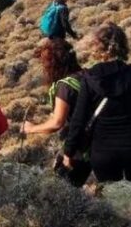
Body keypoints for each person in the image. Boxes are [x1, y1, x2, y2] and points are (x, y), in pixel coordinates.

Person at [62, 23, 131, 184]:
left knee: (113, 201)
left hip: (103, 153)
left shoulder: (89, 79)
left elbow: (78, 121)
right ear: (123, 45)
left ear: (96, 47)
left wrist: (68, 152)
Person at [22, 40, 92, 187]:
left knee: (63, 189)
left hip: (78, 148)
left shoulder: (65, 86)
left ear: (55, 64)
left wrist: (31, 128)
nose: (45, 68)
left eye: (46, 64)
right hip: (96, 142)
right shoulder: (87, 74)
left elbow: (57, 122)